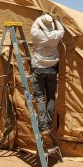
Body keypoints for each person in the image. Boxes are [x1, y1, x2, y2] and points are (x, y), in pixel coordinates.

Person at [30, 13, 65, 149]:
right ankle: (49, 125)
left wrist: (42, 18)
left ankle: (43, 126)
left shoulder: (36, 33)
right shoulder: (56, 35)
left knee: (39, 97)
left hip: (38, 68)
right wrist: (55, 20)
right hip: (51, 69)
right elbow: (61, 29)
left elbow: (35, 24)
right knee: (50, 97)